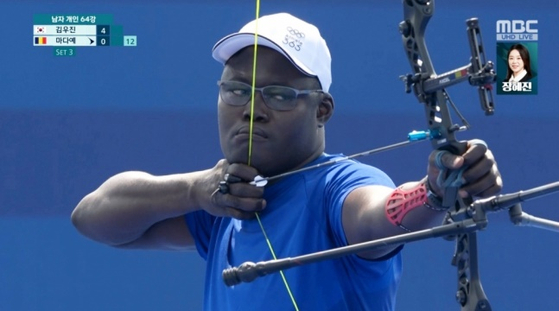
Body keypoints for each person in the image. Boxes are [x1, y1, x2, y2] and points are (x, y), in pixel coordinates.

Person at [71, 13, 502, 311]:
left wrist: (433, 192)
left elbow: (378, 215)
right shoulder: (222, 203)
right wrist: (193, 190)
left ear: (322, 110)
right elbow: (93, 218)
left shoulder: (339, 186)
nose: (251, 109)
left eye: (278, 95)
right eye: (236, 90)